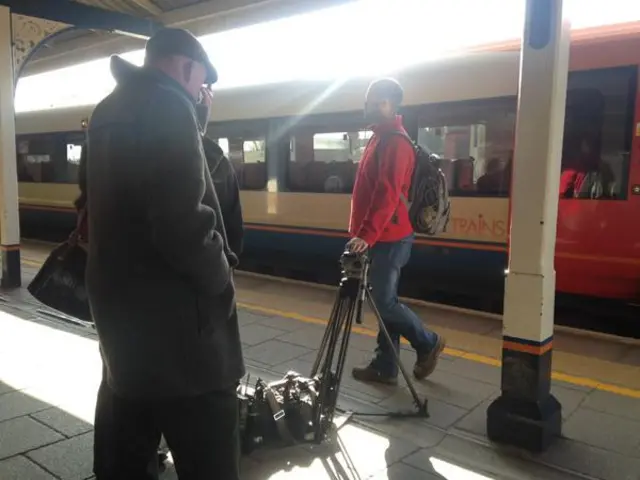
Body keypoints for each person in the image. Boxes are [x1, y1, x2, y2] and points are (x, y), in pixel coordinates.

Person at [84, 28, 244, 480]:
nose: (200, 94)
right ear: (187, 67)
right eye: (200, 83)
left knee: (127, 455)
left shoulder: (107, 110)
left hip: (124, 325)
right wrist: (219, 279)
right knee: (211, 460)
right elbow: (182, 222)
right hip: (182, 335)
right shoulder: (169, 105)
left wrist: (195, 127)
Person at [348, 78, 445, 386]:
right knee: (383, 299)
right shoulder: (381, 137)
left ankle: (427, 342)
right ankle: (385, 365)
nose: (371, 106)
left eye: (378, 101)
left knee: (384, 302)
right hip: (381, 236)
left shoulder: (395, 142)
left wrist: (366, 234)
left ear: (391, 105)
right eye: (369, 100)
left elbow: (387, 195)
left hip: (388, 237)